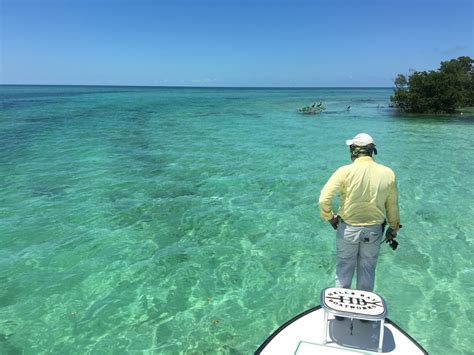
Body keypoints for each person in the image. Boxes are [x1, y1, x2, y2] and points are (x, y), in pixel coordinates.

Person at [318, 133, 400, 292]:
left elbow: (323, 199)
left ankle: (340, 315)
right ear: (371, 151)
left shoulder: (344, 171)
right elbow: (392, 205)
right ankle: (364, 316)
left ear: (354, 151)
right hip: (374, 231)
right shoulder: (388, 173)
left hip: (348, 229)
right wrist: (393, 227)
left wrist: (330, 217)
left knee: (344, 269)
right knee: (368, 269)